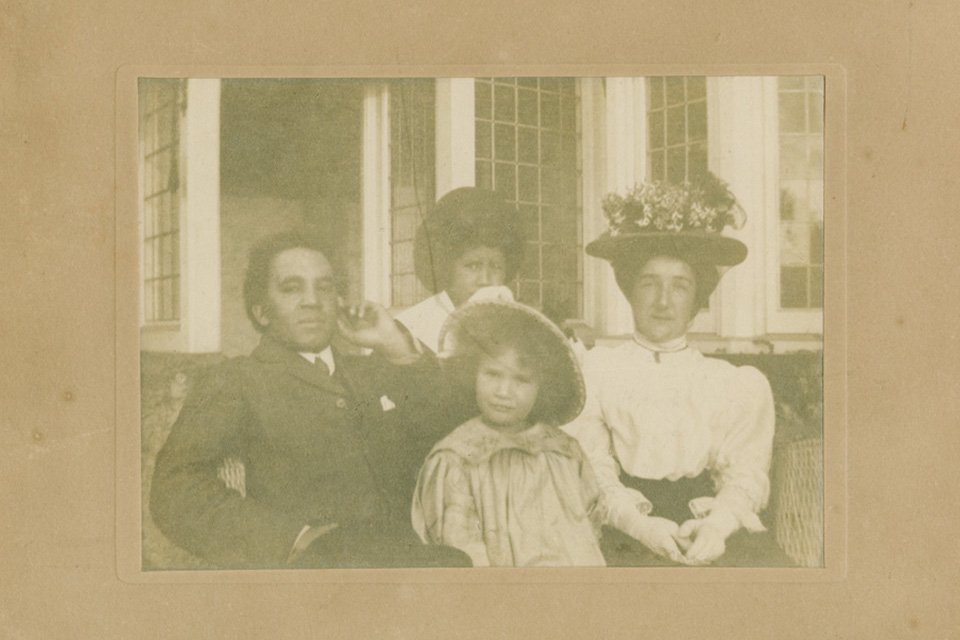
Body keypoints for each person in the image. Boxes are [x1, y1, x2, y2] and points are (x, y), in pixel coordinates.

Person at [149, 231, 470, 569]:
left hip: (407, 556)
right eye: (291, 288)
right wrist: (291, 538)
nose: (312, 301)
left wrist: (395, 345)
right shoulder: (238, 379)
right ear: (261, 312)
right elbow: (175, 491)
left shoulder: (374, 370)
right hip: (319, 570)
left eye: (325, 287)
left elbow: (455, 426)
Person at [562, 174, 792, 567]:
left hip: (706, 524)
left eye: (680, 286)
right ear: (630, 290)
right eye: (650, 284)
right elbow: (591, 470)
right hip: (623, 529)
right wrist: (639, 526)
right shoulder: (598, 368)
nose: (664, 302)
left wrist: (718, 527)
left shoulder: (730, 382)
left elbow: (746, 475)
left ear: (698, 300)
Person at [411, 299, 605, 567]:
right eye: (492, 374)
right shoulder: (456, 457)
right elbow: (460, 549)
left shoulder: (565, 451)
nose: (503, 392)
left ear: (543, 386)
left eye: (521, 380)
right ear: (472, 373)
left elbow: (591, 524)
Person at [395, 187, 527, 355]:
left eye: (495, 266)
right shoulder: (412, 327)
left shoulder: (516, 324)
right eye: (473, 266)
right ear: (446, 267)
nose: (485, 280)